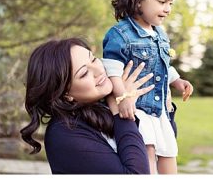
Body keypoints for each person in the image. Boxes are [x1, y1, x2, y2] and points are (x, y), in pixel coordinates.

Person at [102, 0, 194, 174]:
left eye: (170, 3)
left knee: (170, 151)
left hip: (160, 109)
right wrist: (123, 96)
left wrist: (177, 81)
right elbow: (112, 70)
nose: (168, 8)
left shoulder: (160, 34)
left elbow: (162, 64)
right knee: (148, 152)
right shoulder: (121, 34)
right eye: (162, 2)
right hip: (138, 108)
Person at [20, 38, 155, 174]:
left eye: (93, 59)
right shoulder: (64, 134)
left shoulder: (103, 106)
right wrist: (121, 107)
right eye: (84, 73)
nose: (99, 70)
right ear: (65, 94)